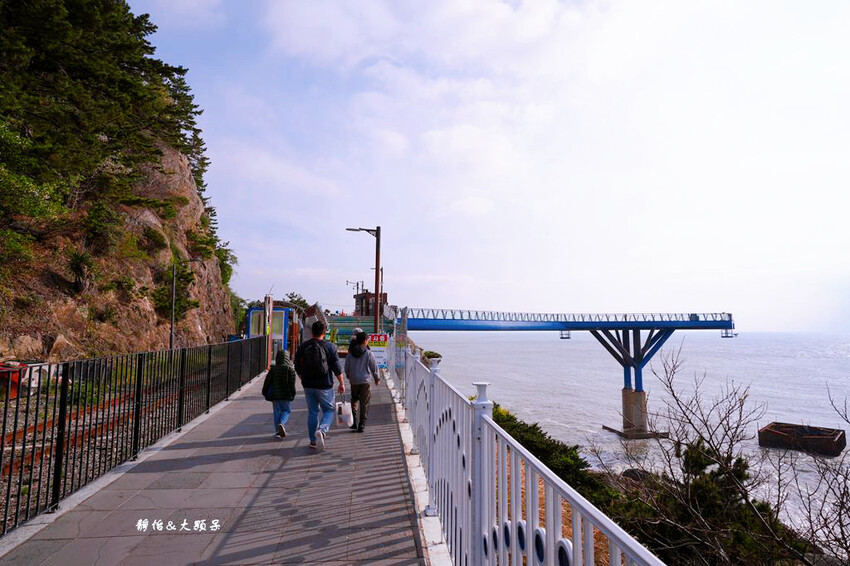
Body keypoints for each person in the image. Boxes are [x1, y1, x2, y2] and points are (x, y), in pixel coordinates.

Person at [294, 320, 345, 449]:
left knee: (312, 412)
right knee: (328, 410)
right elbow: (337, 368)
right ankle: (322, 429)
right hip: (324, 385)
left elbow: (296, 365)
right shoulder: (330, 347)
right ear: (325, 333)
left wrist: (302, 379)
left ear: (312, 332)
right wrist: (342, 383)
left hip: (308, 385)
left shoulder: (304, 346)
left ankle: (312, 441)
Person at [344, 331, 380, 432]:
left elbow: (346, 366)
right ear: (365, 341)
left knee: (354, 399)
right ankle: (362, 424)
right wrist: (377, 378)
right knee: (364, 402)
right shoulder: (368, 353)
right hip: (365, 381)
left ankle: (354, 422)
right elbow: (374, 367)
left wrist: (348, 375)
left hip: (354, 380)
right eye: (368, 340)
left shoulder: (350, 353)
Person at [263, 349, 296, 437]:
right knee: (286, 410)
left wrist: (264, 392)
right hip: (286, 395)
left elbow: (267, 382)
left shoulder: (273, 369)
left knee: (277, 412)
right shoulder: (290, 370)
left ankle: (278, 431)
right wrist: (293, 394)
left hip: (275, 395)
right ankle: (282, 423)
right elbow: (292, 384)